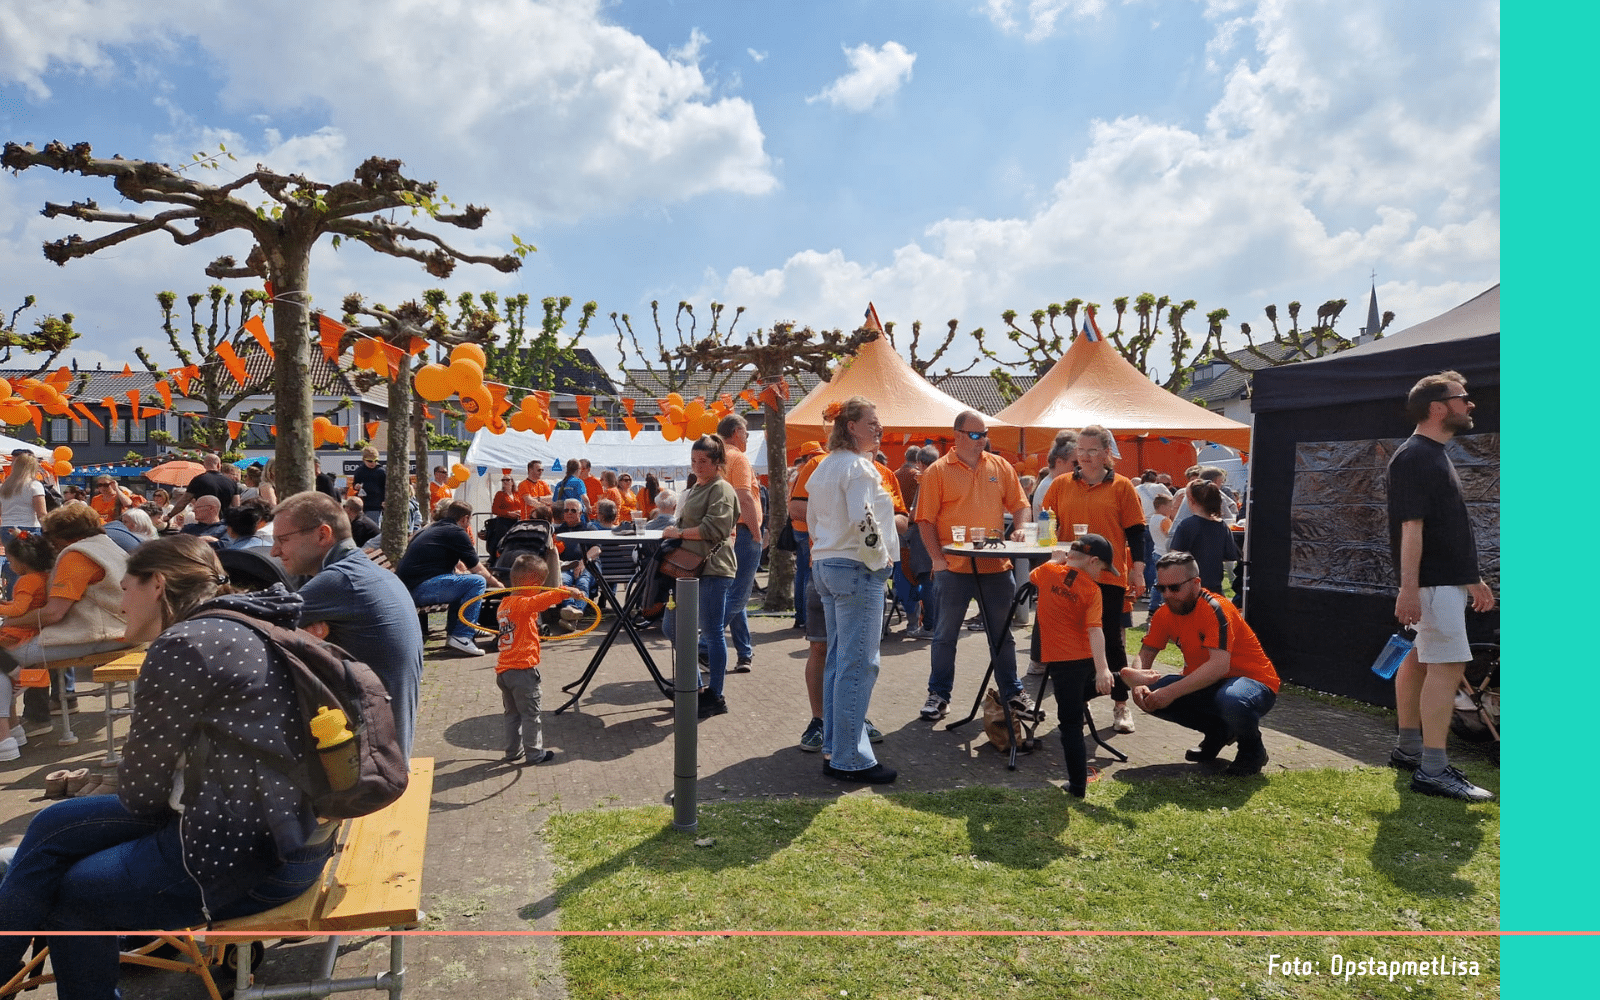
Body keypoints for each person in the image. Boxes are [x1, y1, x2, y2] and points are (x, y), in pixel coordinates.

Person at [0, 536, 334, 995]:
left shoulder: (181, 646)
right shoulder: (248, 621)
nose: (120, 604)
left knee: (74, 890)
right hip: (300, 837)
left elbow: (142, 793)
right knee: (52, 824)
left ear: (157, 585)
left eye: (124, 589)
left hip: (257, 863)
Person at [1384, 371, 1495, 801]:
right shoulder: (1415, 457)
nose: (1470, 404)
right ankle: (1432, 768)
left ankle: (1410, 749)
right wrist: (1409, 589)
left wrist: (1471, 578)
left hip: (1440, 582)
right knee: (1446, 666)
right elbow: (1411, 529)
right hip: (1432, 586)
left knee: (1417, 659)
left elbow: (1446, 530)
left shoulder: (1430, 454)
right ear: (1437, 408)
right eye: (1462, 397)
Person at [274, 491, 427, 760]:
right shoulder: (366, 571)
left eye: (283, 540)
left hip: (370, 766)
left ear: (323, 535)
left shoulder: (342, 580)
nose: (275, 551)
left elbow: (253, 627)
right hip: (391, 751)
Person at [915, 410, 1032, 722]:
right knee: (945, 636)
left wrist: (1020, 527)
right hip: (953, 569)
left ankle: (1013, 692)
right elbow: (924, 520)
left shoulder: (1000, 466)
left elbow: (1021, 504)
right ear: (958, 435)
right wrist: (937, 560)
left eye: (985, 435)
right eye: (976, 435)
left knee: (1003, 635)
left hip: (995, 567)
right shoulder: (938, 471)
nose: (982, 441)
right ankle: (939, 695)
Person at [805, 397, 898, 783]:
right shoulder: (858, 467)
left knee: (839, 661)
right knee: (859, 664)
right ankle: (850, 757)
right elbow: (864, 517)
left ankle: (836, 748)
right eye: (872, 422)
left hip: (827, 564)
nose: (879, 428)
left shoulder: (825, 467)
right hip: (855, 567)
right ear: (852, 426)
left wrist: (825, 552)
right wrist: (879, 559)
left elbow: (812, 521)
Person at [1121, 551, 1280, 776]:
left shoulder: (1215, 608)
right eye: (1161, 588)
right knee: (1151, 692)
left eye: (1174, 588)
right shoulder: (1164, 614)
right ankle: (1219, 733)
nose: (1167, 595)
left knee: (1232, 700)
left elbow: (1219, 667)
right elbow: (1146, 653)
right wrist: (1139, 682)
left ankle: (1252, 750)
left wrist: (1170, 692)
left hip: (1253, 682)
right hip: (1213, 683)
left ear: (1196, 583)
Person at [1037, 424, 1146, 732]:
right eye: (1081, 450)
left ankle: (1121, 705)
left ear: (1106, 453)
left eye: (1092, 450)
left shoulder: (1122, 487)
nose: (1084, 456)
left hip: (1108, 577)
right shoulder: (1060, 484)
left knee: (1110, 640)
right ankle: (1077, 702)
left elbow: (1136, 532)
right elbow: (1046, 526)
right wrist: (1040, 542)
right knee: (1072, 643)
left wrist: (1138, 570)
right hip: (1069, 577)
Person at [15, 504, 134, 729]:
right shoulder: (107, 545)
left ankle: (12, 730)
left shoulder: (76, 557)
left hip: (101, 635)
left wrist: (13, 621)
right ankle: (29, 719)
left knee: (7, 653)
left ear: (62, 536)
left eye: (49, 535)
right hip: (125, 629)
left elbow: (53, 613)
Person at [1031, 534, 1115, 798]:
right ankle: (1123, 678)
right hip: (1083, 659)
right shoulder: (1092, 590)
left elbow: (1032, 576)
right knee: (1077, 703)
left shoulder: (1048, 573)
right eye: (1102, 569)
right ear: (1093, 561)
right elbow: (1095, 631)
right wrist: (1102, 668)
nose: (1101, 575)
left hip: (1061, 662)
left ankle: (1077, 786)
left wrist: (1055, 560)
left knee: (1070, 724)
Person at [660, 435, 738, 719]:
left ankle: (715, 694)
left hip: (713, 568)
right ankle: (694, 686)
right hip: (688, 569)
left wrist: (678, 533)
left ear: (717, 462)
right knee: (672, 626)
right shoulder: (697, 487)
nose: (697, 466)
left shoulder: (722, 489)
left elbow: (714, 529)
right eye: (693, 461)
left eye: (703, 461)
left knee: (712, 630)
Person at [494, 553, 585, 766]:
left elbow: (533, 605)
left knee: (512, 715)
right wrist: (565, 592)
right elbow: (539, 601)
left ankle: (513, 751)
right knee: (530, 715)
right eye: (540, 586)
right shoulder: (523, 604)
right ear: (532, 585)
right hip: (522, 670)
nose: (541, 590)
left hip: (504, 671)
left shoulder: (505, 604)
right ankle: (535, 754)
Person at [396, 499, 503, 657]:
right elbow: (477, 568)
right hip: (417, 590)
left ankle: (457, 632)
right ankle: (462, 636)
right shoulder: (456, 532)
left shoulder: (434, 528)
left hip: (407, 589)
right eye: (469, 520)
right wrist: (499, 586)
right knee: (477, 581)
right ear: (465, 519)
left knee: (463, 582)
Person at [713, 413, 763, 673]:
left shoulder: (713, 456)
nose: (747, 437)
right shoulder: (738, 457)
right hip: (742, 530)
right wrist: (757, 532)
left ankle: (744, 652)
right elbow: (744, 497)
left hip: (721, 531)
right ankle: (704, 644)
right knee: (739, 594)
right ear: (735, 432)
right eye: (745, 432)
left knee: (733, 594)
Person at [0, 533, 55, 759]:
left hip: (18, 633)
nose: (10, 566)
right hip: (31, 631)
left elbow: (19, 610)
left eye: (11, 561)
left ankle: (15, 673)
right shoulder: (42, 577)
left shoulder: (26, 580)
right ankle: (14, 729)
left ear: (22, 562)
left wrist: (3, 608)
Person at [1167, 480, 1238, 594]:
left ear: (1191, 500)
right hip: (1215, 586)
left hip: (1190, 587)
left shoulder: (1186, 525)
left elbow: (1175, 556)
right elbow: (1230, 555)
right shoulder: (1222, 526)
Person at [786, 441, 826, 630]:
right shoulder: (809, 471)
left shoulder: (795, 473)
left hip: (797, 526)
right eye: (817, 455)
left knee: (801, 572)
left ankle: (800, 616)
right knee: (808, 574)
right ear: (810, 456)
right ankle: (807, 616)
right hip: (807, 527)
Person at [0, 451, 49, 595]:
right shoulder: (34, 486)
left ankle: (11, 595)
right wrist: (48, 531)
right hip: (28, 527)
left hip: (6, 528)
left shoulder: (5, 486)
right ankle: (25, 596)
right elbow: (41, 513)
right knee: (29, 566)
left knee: (13, 564)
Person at [168, 452, 239, 520]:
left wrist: (169, 516)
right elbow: (236, 506)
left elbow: (184, 501)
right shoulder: (232, 482)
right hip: (224, 522)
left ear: (204, 465)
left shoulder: (198, 480)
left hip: (205, 521)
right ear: (218, 465)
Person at [1145, 492, 1177, 615]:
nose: (1171, 509)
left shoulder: (1153, 518)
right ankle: (1159, 605)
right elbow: (1170, 536)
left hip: (1157, 551)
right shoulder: (1165, 520)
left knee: (1158, 581)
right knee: (1164, 583)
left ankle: (1153, 606)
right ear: (1162, 507)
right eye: (1170, 507)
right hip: (1165, 553)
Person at [351, 446, 387, 527]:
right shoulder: (360, 471)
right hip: (362, 504)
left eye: (375, 461)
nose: (372, 463)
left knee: (374, 525)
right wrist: (356, 486)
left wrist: (384, 500)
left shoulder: (381, 471)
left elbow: (386, 488)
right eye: (370, 461)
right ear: (364, 460)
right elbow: (355, 484)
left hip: (375, 505)